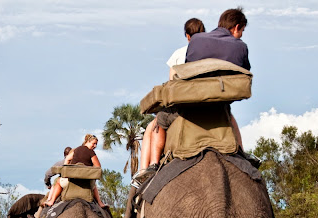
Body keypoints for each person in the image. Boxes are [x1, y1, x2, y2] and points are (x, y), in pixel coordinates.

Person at [132, 8, 249, 188]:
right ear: (236, 27)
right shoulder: (241, 46)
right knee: (230, 117)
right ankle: (240, 152)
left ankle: (154, 165)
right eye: (241, 31)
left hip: (189, 107)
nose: (240, 35)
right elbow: (244, 76)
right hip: (221, 109)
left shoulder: (197, 42)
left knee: (159, 123)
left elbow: (187, 75)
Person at [45, 134, 107, 207]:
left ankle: (51, 201)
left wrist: (66, 170)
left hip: (71, 182)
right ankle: (100, 203)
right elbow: (98, 167)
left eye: (96, 144)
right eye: (94, 143)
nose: (95, 146)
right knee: (94, 186)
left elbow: (67, 158)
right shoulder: (91, 152)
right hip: (86, 183)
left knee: (58, 182)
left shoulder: (76, 149)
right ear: (88, 141)